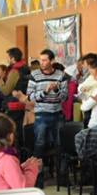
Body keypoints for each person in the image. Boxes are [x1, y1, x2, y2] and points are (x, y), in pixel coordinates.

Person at [27, 49, 68, 182]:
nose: (42, 63)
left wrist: (55, 90)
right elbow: (30, 97)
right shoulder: (34, 75)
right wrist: (44, 92)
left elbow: (64, 97)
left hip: (57, 114)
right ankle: (37, 178)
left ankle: (62, 178)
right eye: (41, 60)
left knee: (60, 145)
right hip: (41, 114)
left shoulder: (61, 75)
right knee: (39, 145)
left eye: (45, 60)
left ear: (52, 61)